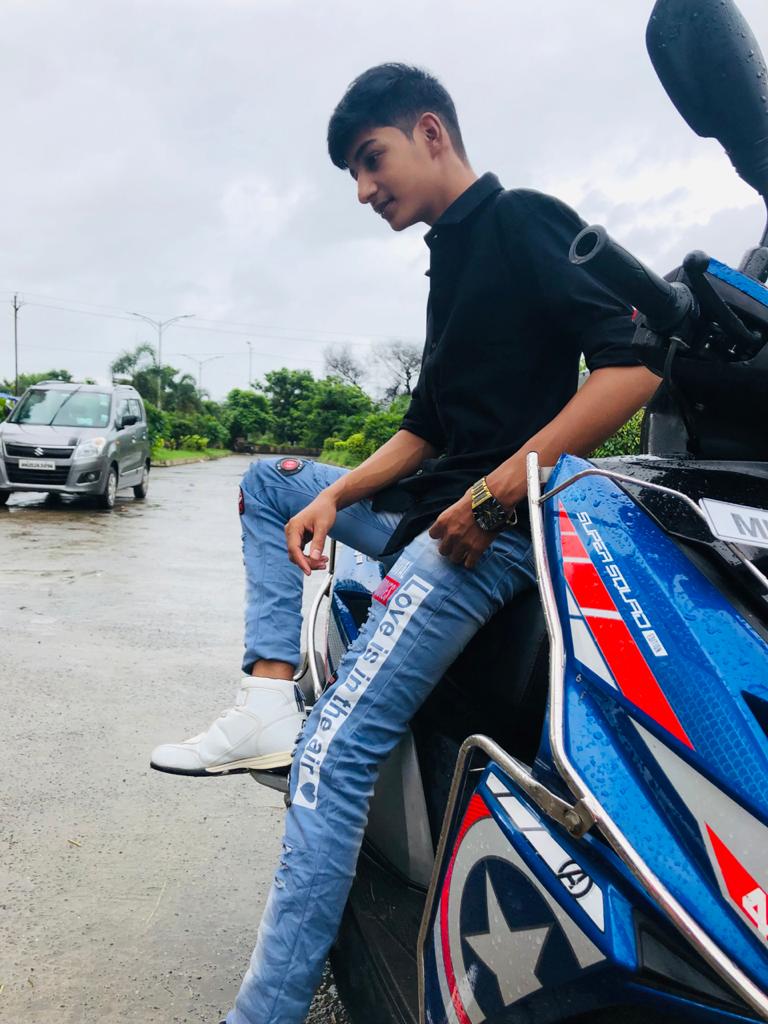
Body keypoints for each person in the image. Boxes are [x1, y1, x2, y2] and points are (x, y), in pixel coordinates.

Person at [150, 63, 659, 1023]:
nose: (362, 189)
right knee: (269, 484)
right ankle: (267, 695)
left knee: (331, 754)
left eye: (370, 159)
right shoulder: (450, 257)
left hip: (485, 536)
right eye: (351, 172)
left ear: (431, 133)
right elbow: (426, 425)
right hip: (436, 503)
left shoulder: (522, 220)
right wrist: (335, 493)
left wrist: (496, 495)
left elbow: (632, 369)